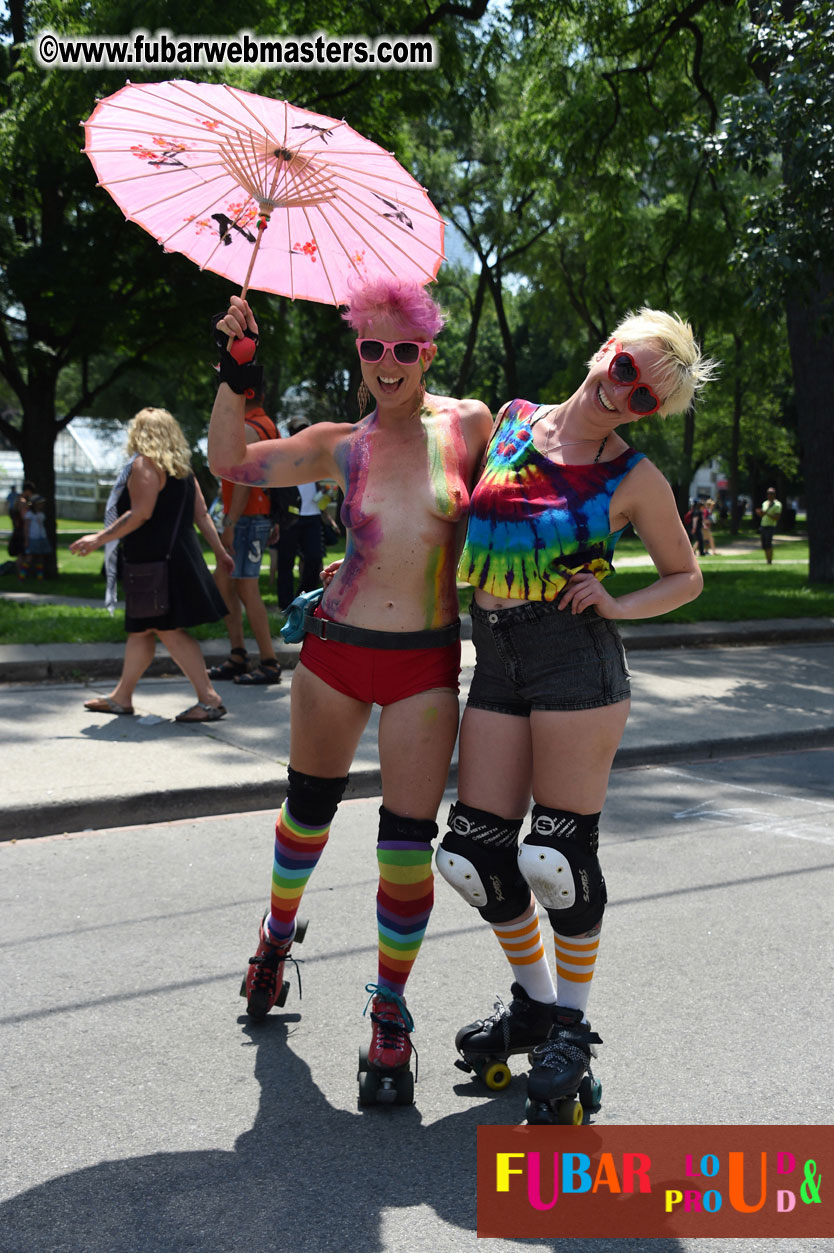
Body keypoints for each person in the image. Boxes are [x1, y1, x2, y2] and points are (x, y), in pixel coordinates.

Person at [208, 279, 491, 1098]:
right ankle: (275, 935)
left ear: (427, 352)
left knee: (404, 844)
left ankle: (389, 1012)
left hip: (424, 664)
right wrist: (235, 369)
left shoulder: (470, 426)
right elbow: (229, 460)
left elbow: (544, 462)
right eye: (372, 346)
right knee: (307, 813)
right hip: (336, 653)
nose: (388, 362)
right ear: (359, 352)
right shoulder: (343, 444)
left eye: (404, 347)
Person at [436, 308, 716, 1123]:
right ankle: (534, 1005)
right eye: (625, 368)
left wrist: (618, 603)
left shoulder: (635, 477)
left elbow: (687, 576)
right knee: (473, 856)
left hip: (574, 662)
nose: (623, 393)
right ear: (605, 349)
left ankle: (572, 1029)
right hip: (496, 659)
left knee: (555, 859)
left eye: (644, 398)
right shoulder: (513, 421)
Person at [70, 407, 233, 722]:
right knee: (141, 631)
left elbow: (141, 513)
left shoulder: (144, 465)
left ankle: (209, 699)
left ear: (139, 432)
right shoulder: (182, 470)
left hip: (156, 565)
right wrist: (219, 552)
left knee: (167, 629)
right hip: (173, 559)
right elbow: (201, 514)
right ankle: (121, 697)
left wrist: (99, 538)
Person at [208, 391, 282, 686]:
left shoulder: (248, 429)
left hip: (246, 518)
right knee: (226, 582)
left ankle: (269, 661)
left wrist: (230, 522)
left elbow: (245, 481)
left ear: (243, 393)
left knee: (245, 588)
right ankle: (239, 655)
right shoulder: (267, 425)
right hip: (255, 516)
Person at [21, 494, 52, 579]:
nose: (42, 505)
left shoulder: (41, 514)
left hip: (42, 537)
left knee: (40, 558)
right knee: (29, 558)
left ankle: (40, 577)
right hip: (33, 537)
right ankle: (21, 577)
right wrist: (26, 540)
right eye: (40, 503)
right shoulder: (30, 514)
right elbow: (26, 527)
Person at [755, 487, 782, 565]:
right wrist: (759, 513)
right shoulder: (765, 503)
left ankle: (769, 561)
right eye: (768, 493)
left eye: (771, 493)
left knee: (768, 544)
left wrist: (766, 513)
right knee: (764, 545)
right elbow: (762, 515)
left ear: (774, 494)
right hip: (763, 525)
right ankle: (767, 559)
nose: (769, 495)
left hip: (771, 526)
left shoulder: (777, 505)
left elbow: (777, 517)